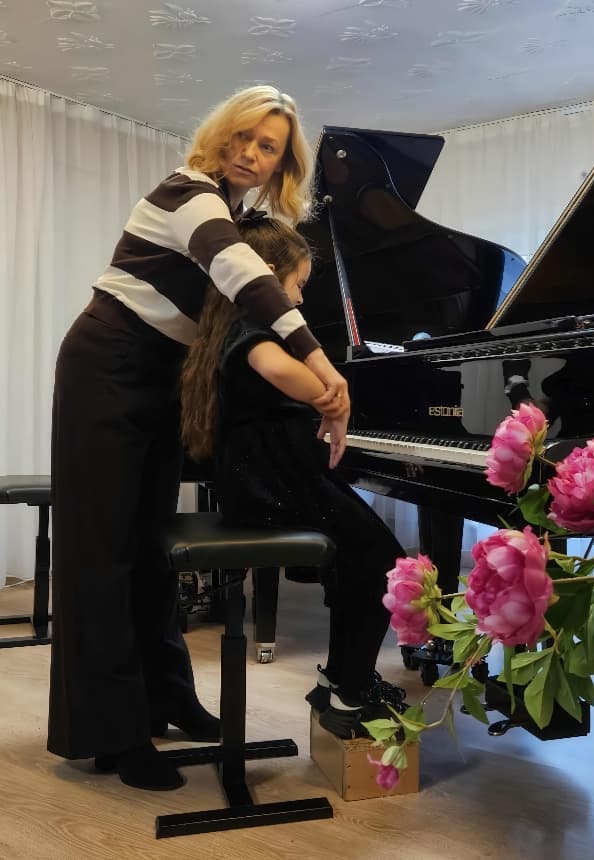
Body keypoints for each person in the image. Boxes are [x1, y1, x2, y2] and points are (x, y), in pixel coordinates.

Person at [47, 85, 350, 792]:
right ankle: (113, 735)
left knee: (150, 548)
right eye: (243, 137)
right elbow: (243, 276)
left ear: (281, 166)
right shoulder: (187, 193)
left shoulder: (239, 214)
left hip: (159, 377)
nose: (250, 153)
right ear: (221, 135)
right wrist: (320, 364)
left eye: (268, 147)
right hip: (105, 366)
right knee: (102, 552)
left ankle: (168, 699)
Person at [181, 213, 406, 740]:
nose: (301, 300)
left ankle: (340, 681)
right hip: (273, 485)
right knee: (384, 561)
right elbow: (278, 369)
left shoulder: (227, 324)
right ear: (263, 278)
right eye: (297, 285)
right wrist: (329, 397)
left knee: (359, 559)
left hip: (268, 481)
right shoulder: (252, 328)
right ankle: (350, 694)